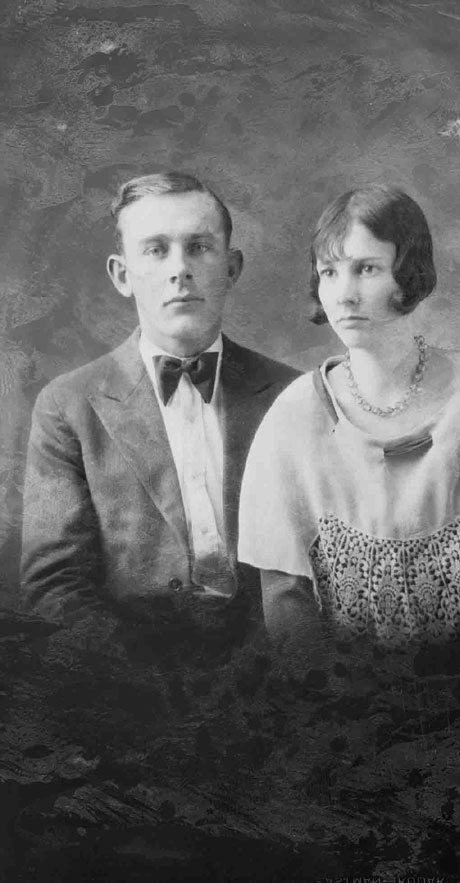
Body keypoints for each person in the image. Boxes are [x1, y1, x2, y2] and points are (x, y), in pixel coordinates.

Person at [238, 184, 460, 651]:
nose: (344, 295)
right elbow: (286, 604)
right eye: (329, 272)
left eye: (366, 269)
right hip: (348, 683)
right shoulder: (295, 413)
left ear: (409, 275)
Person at [20, 171, 298, 644]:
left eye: (199, 247)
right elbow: (53, 587)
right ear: (122, 275)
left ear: (231, 268)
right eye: (155, 249)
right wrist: (144, 674)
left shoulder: (291, 395)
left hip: (270, 666)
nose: (179, 269)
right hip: (130, 670)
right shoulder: (68, 406)